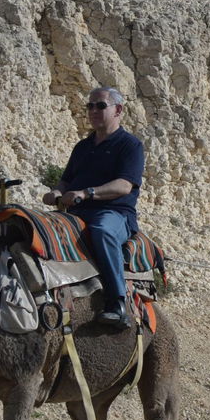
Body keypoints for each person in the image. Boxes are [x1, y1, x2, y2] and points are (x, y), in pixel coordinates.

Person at [43, 86, 145, 328]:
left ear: (118, 110)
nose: (93, 110)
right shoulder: (82, 147)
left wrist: (87, 193)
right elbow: (66, 180)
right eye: (90, 106)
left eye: (100, 105)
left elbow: (124, 185)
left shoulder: (130, 146)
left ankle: (117, 303)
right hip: (78, 212)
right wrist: (57, 192)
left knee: (102, 230)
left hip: (114, 213)